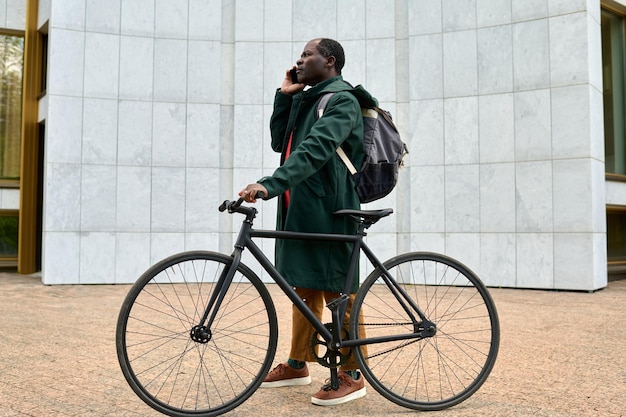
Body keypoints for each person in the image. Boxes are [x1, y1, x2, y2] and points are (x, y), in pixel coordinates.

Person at [239, 38, 377, 406]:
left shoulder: (342, 100)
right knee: (303, 286)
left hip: (332, 207)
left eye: (306, 56)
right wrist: (286, 95)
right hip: (302, 205)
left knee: (336, 287)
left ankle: (352, 372)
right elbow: (279, 142)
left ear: (329, 61)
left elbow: (315, 149)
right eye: (299, 57)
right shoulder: (312, 99)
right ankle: (298, 363)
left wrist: (270, 184)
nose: (298, 62)